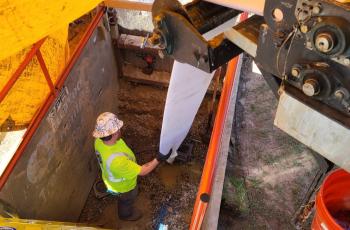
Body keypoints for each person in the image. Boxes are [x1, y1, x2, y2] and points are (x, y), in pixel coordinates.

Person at [92, 112, 171, 221]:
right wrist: (159, 158)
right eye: (118, 129)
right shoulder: (118, 161)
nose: (120, 130)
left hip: (109, 177)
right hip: (124, 187)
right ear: (114, 133)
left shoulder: (98, 142)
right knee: (127, 200)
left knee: (125, 197)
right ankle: (125, 215)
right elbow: (143, 171)